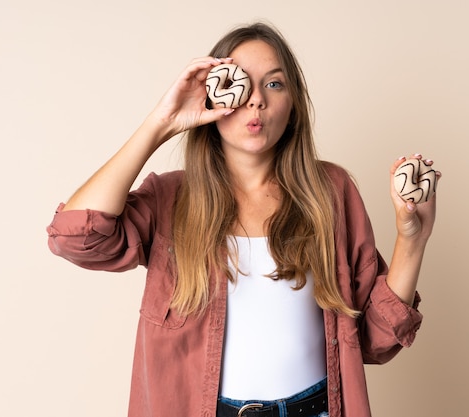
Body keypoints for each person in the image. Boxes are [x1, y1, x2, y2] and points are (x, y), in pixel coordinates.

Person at [47, 22, 440, 417]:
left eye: (273, 84)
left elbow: (373, 340)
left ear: (294, 103)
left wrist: (413, 239)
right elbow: (76, 237)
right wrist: (160, 123)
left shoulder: (330, 192)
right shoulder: (170, 198)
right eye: (240, 82)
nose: (256, 101)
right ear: (211, 96)